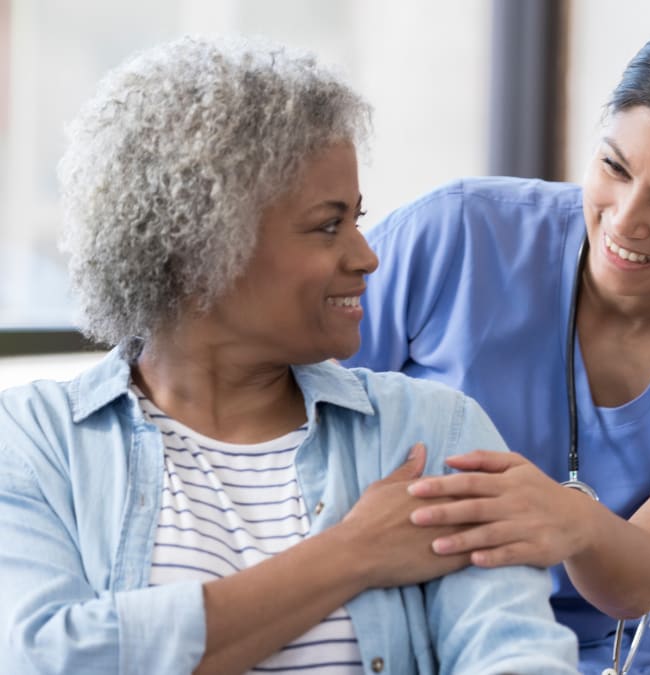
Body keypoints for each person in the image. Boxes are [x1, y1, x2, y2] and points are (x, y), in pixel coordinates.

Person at [0, 36, 577, 674]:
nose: (366, 256)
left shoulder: (433, 432)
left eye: (358, 218)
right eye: (328, 225)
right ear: (199, 252)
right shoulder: (34, 442)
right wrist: (352, 552)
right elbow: (49, 657)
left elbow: (520, 659)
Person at [344, 13, 650, 673]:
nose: (625, 220)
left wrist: (574, 520)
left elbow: (644, 575)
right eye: (613, 167)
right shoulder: (459, 233)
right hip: (379, 629)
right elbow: (288, 411)